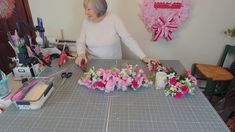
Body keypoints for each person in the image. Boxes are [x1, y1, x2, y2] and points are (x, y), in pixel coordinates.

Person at [75, 0, 158, 67]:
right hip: (93, 64)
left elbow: (128, 39)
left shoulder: (114, 19)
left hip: (114, 64)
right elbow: (81, 42)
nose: (85, 12)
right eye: (85, 9)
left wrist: (144, 57)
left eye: (89, 9)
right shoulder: (86, 21)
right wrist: (81, 54)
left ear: (98, 9)